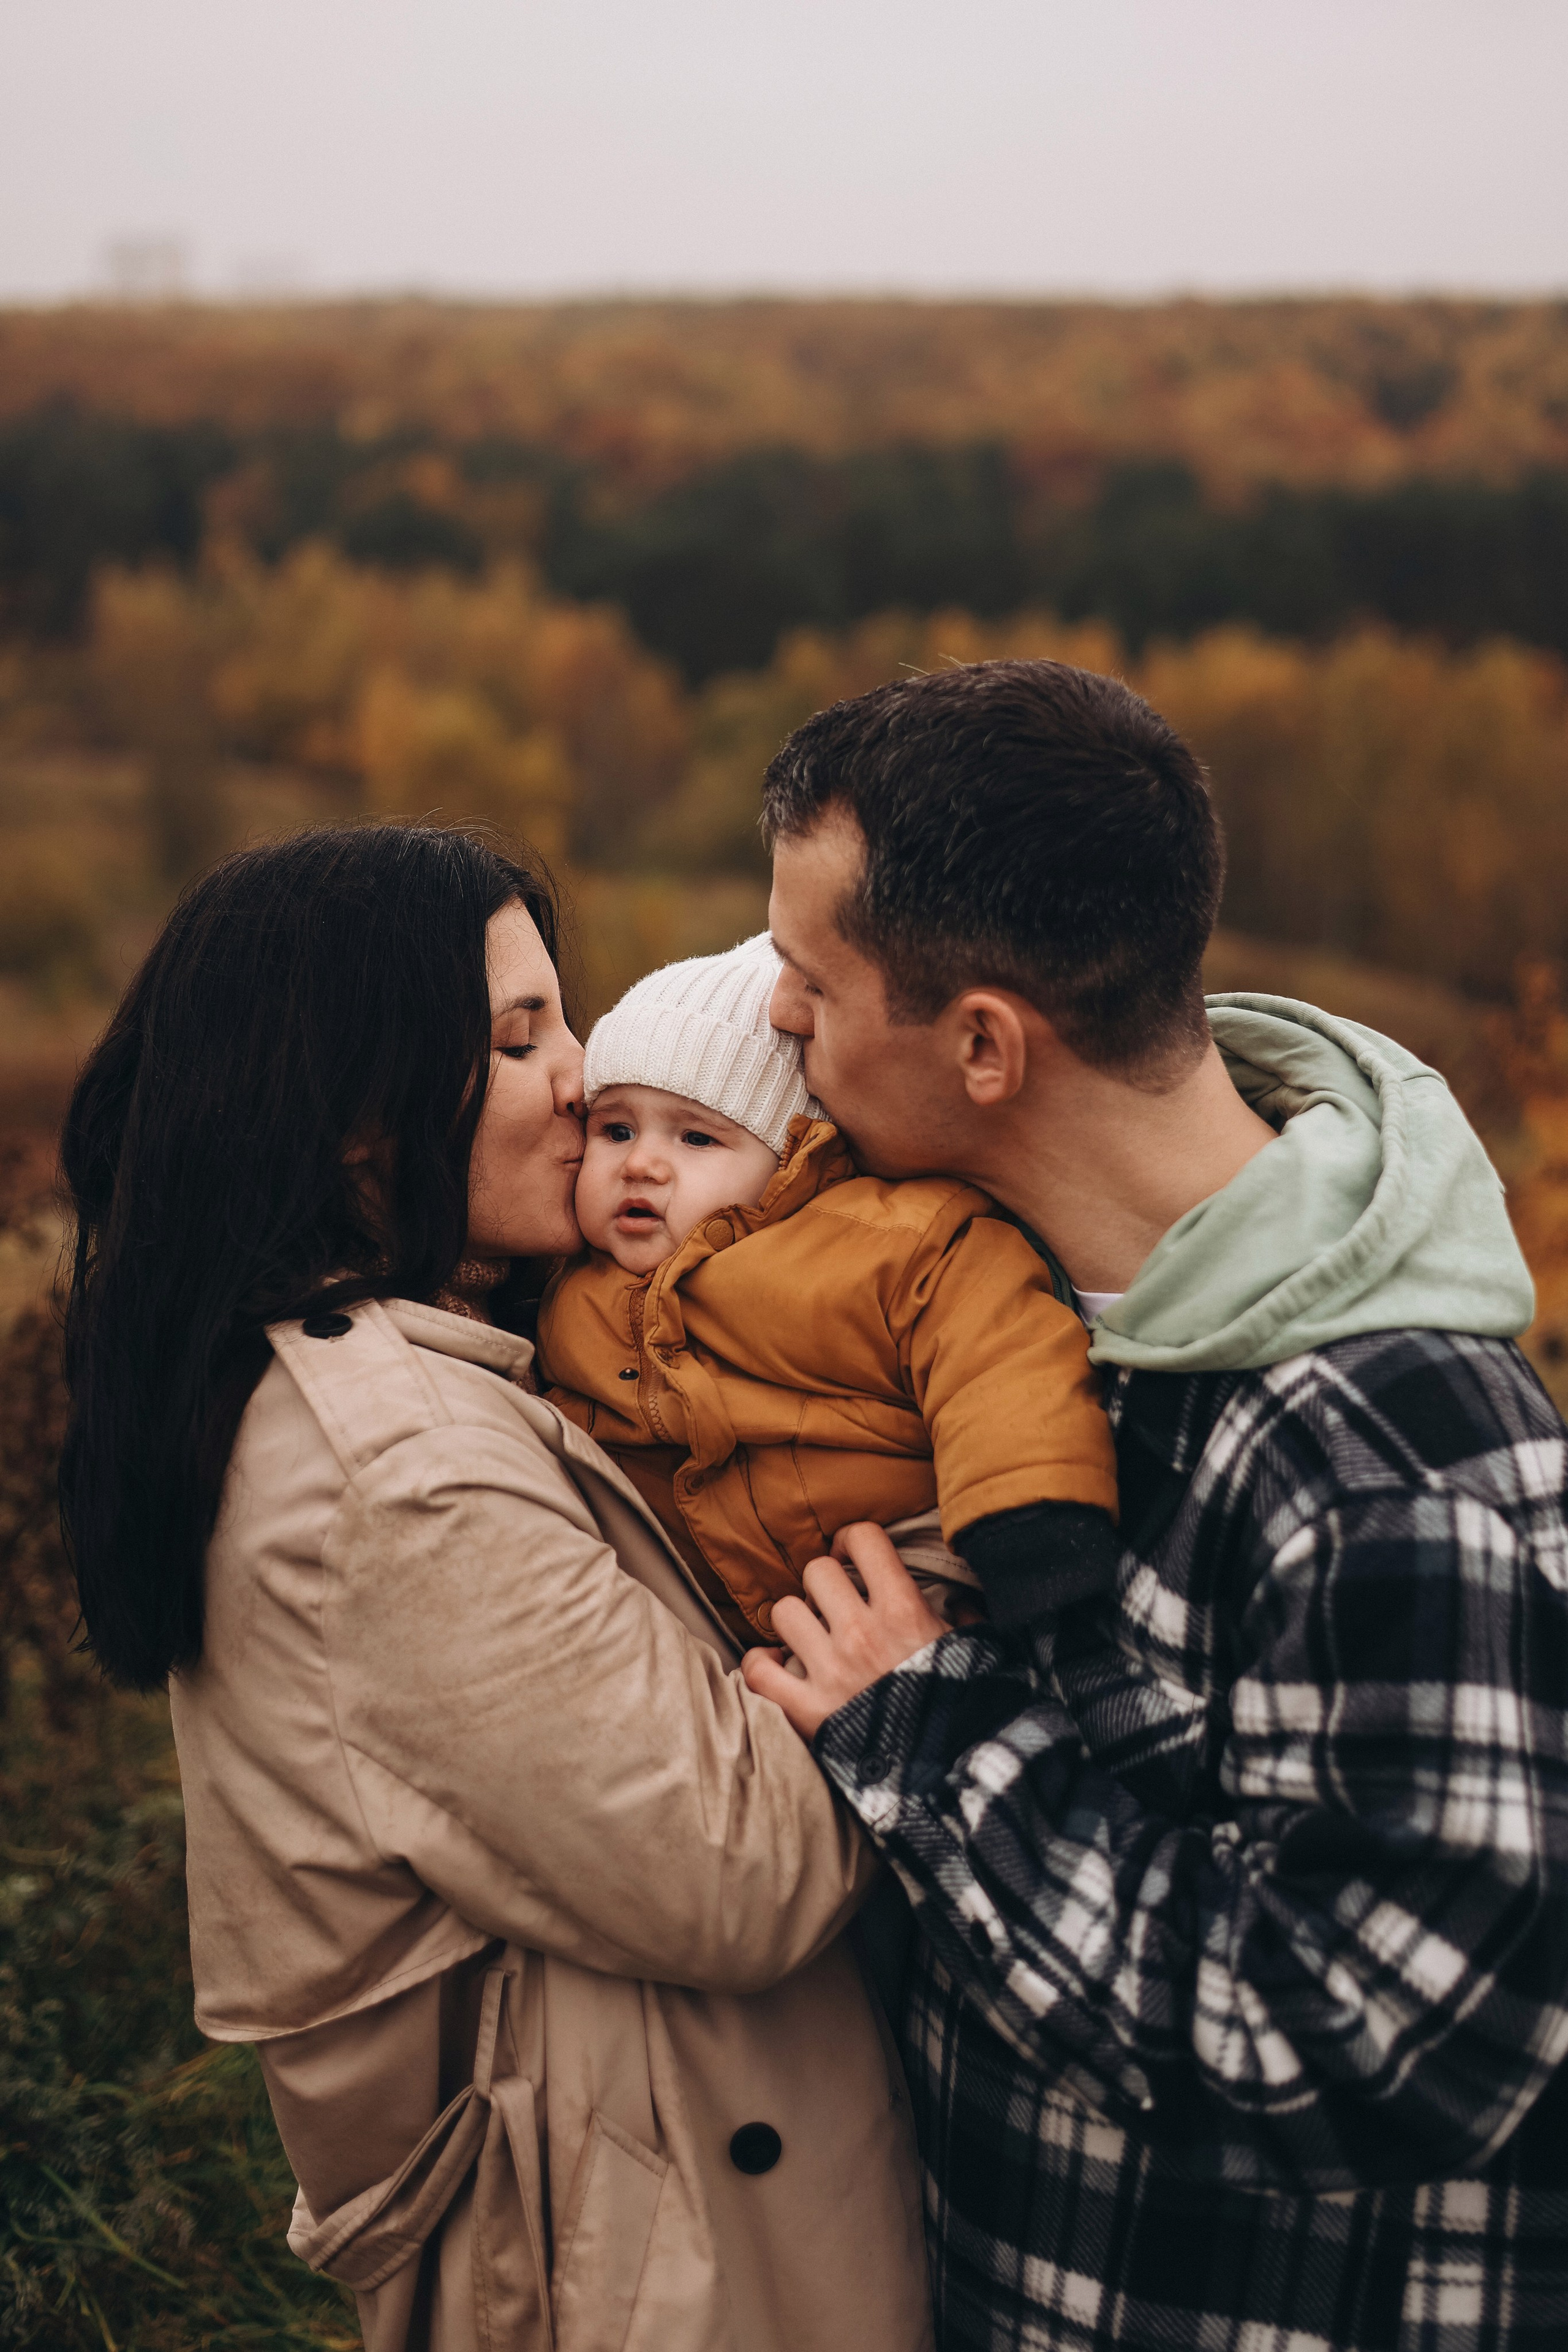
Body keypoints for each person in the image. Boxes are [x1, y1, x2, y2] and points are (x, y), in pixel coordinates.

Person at [741, 660, 1568, 2352]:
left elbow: (1395, 2043)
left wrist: (932, 1739)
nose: (775, 1018)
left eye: (812, 981)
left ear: (984, 1044)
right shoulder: (1008, 1315)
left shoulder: (1392, 1455)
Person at [58, 824, 933, 2352]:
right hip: (645, 2276)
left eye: (560, 1020)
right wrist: (910, 1621)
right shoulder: (400, 1477)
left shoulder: (408, 1382)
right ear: (356, 1120)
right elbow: (736, 1865)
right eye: (520, 1037)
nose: (580, 1078)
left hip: (652, 2217)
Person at [537, 929, 1118, 1643]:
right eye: (616, 1131)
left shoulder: (886, 1242)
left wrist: (1028, 1518)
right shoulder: (570, 1291)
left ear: (792, 1157)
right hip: (705, 1611)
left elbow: (1000, 1358)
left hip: (902, 1561)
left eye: (696, 1139)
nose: (641, 1165)